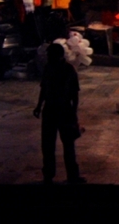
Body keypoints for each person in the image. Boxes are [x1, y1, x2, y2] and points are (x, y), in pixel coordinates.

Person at [34, 42, 84, 184]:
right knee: (48, 145)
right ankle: (49, 175)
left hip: (63, 110)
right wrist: (39, 106)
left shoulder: (68, 70)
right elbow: (44, 88)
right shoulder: (49, 67)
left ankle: (72, 176)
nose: (48, 57)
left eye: (50, 55)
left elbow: (74, 94)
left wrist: (74, 113)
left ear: (59, 55)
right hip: (51, 109)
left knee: (67, 145)